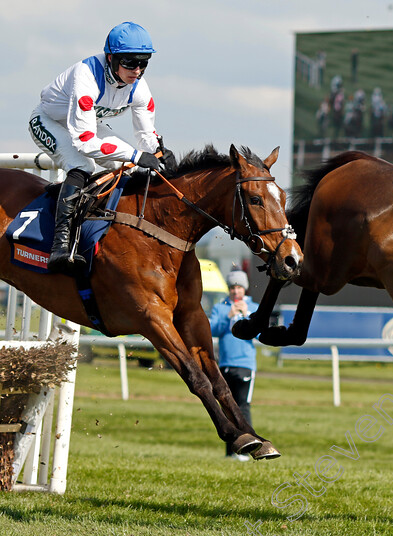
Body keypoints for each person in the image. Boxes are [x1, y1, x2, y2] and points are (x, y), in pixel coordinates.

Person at [28, 21, 175, 273]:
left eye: (144, 62)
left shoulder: (139, 88)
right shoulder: (85, 75)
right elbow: (85, 143)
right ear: (111, 58)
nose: (137, 70)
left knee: (125, 165)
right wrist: (139, 155)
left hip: (85, 123)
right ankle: (60, 246)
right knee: (82, 164)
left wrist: (159, 151)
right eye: (130, 62)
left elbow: (145, 136)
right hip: (48, 121)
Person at [208, 269, 258, 461]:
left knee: (243, 407)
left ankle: (247, 449)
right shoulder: (220, 308)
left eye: (239, 287)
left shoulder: (253, 307)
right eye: (232, 287)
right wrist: (227, 316)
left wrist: (248, 316)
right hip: (225, 364)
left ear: (244, 289)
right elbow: (212, 330)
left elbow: (260, 334)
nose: (235, 291)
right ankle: (231, 451)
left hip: (245, 364)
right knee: (227, 408)